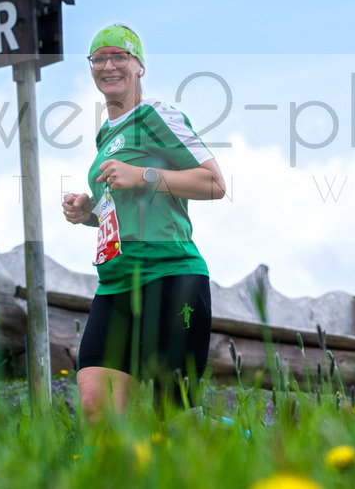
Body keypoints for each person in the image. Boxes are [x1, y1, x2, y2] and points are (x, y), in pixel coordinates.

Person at [62, 24, 226, 422]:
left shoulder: (156, 114)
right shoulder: (105, 135)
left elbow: (213, 182)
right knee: (95, 410)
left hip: (170, 277)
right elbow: (121, 209)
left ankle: (238, 447)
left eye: (120, 56)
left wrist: (143, 176)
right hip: (116, 284)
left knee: (177, 420)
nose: (109, 65)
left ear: (140, 67)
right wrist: (89, 213)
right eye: (99, 58)